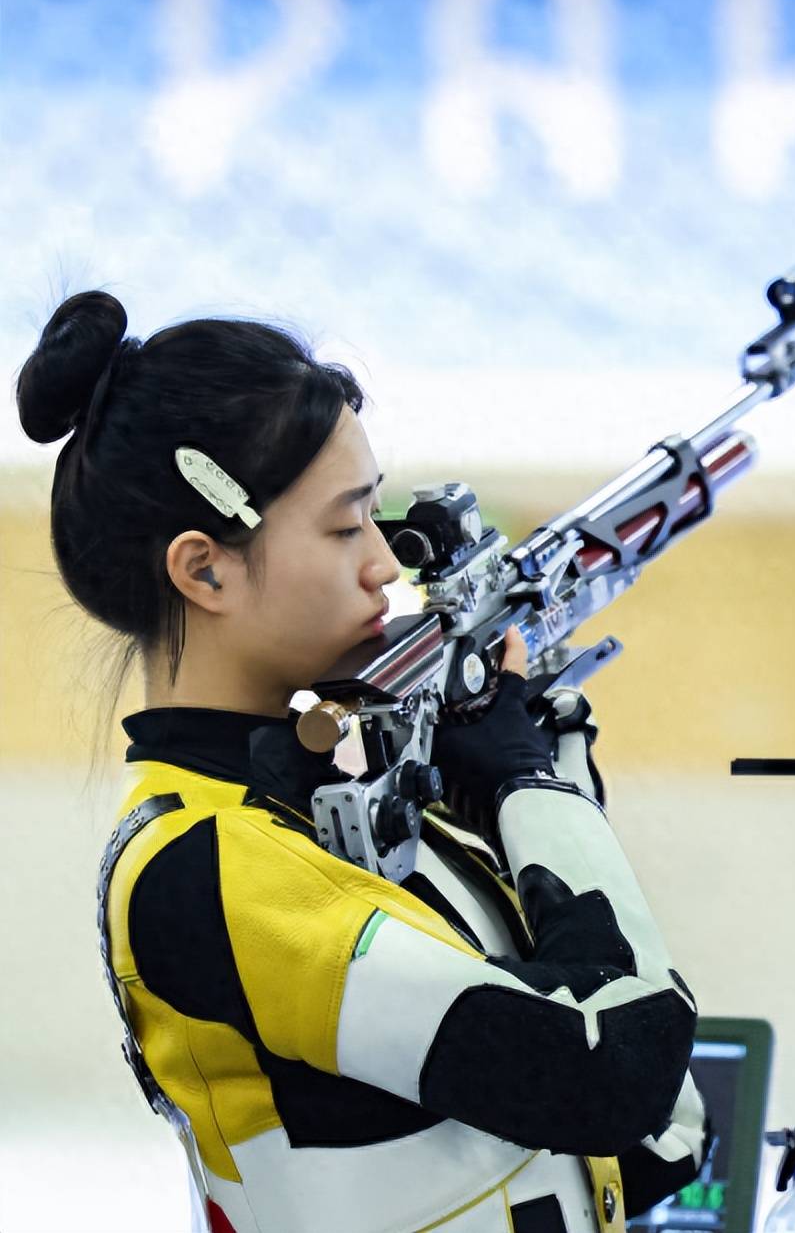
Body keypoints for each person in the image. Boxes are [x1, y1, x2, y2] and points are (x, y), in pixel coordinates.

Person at [16, 291, 709, 1233]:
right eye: (346, 528)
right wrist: (528, 781)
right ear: (204, 569)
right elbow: (607, 1071)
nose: (387, 564)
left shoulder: (322, 803)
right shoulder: (207, 870)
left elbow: (646, 1142)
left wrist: (537, 763)